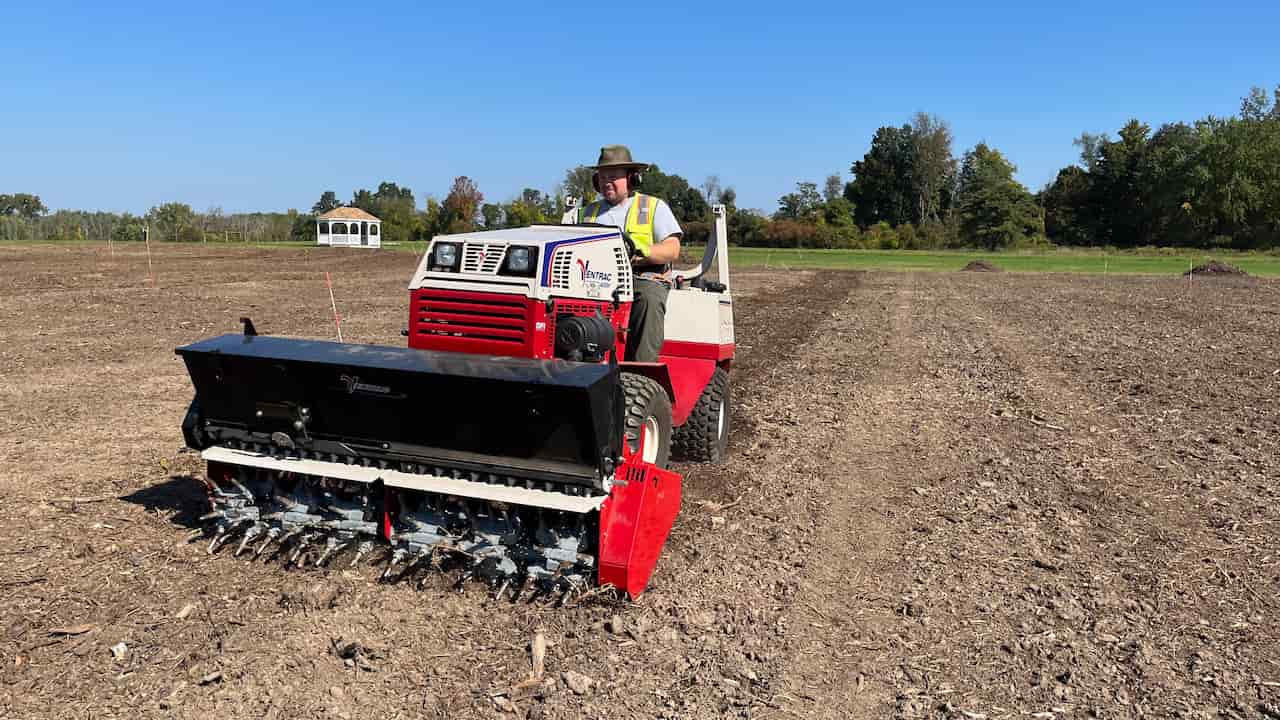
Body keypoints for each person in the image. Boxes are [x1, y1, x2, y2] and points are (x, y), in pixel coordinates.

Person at [577, 145, 682, 362]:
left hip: (641, 277)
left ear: (632, 179)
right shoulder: (587, 213)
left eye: (613, 176)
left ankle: (641, 369)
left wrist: (642, 252)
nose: (607, 181)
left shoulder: (653, 207)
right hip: (595, 280)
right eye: (603, 176)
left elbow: (673, 248)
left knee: (649, 300)